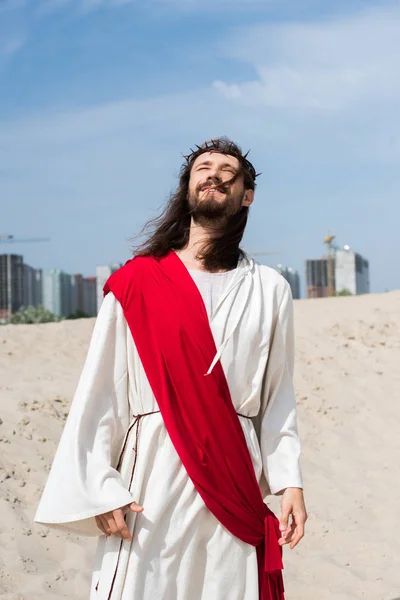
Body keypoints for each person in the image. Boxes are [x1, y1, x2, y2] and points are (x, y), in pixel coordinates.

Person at [35, 137, 307, 600]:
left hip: (233, 475)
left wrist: (289, 481)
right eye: (203, 166)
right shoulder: (138, 281)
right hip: (152, 476)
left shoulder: (269, 288)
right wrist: (102, 486)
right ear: (188, 190)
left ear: (246, 195)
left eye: (227, 169)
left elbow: (277, 396)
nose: (214, 173)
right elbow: (101, 391)